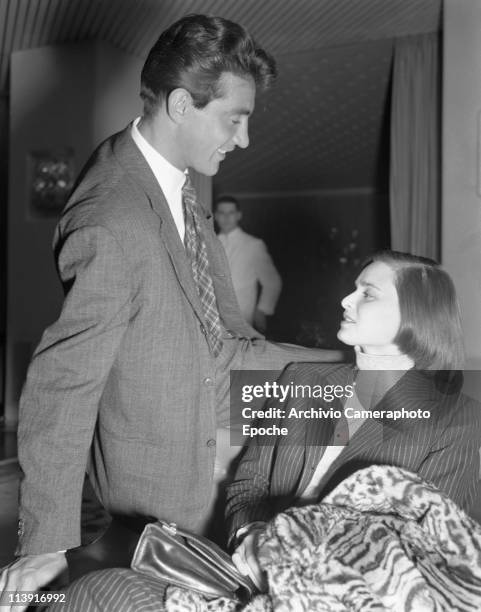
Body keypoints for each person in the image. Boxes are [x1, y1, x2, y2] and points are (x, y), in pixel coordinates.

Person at [0, 14, 344, 608]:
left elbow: (223, 339)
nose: (243, 139)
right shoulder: (115, 217)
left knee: (403, 402)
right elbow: (64, 381)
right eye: (235, 119)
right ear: (183, 104)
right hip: (164, 491)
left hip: (215, 409)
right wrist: (46, 540)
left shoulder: (178, 187)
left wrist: (353, 363)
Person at [226, 250, 481, 589]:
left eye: (368, 293)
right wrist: (252, 533)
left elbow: (425, 553)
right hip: (252, 581)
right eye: (353, 289)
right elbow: (249, 483)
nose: (345, 300)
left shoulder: (458, 422)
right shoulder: (302, 379)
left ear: (415, 314)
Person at [214, 195, 281, 332]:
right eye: (221, 213)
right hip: (212, 315)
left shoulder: (253, 245)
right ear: (215, 216)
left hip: (241, 315)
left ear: (238, 215)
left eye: (231, 213)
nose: (226, 217)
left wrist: (262, 310)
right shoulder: (209, 243)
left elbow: (272, 282)